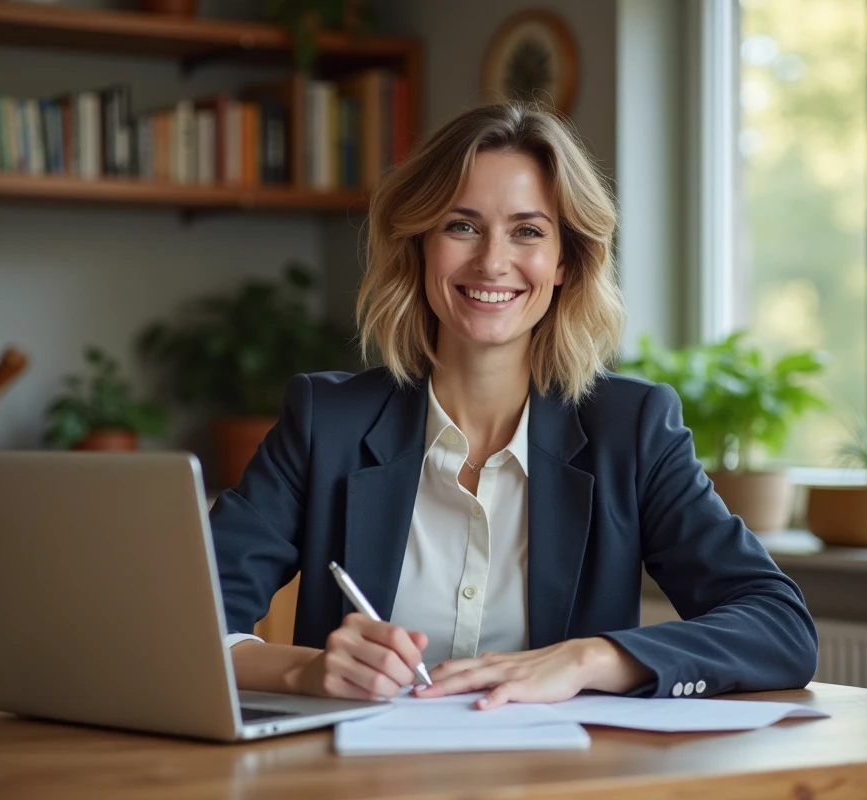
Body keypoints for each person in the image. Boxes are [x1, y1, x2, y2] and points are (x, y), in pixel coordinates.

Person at [210, 102, 817, 709]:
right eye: (462, 225)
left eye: (527, 231)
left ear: (564, 262)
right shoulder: (327, 423)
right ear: (419, 244)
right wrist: (307, 671)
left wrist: (589, 657)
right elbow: (186, 616)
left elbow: (779, 628)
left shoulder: (631, 432)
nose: (492, 261)